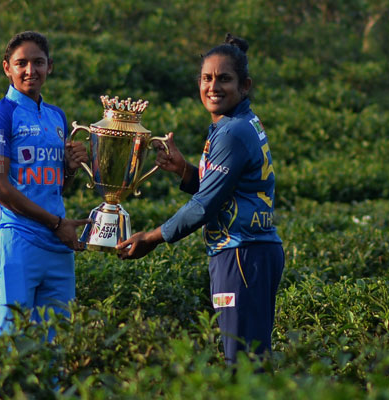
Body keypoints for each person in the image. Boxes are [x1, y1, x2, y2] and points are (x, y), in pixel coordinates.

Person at [118, 34, 285, 364]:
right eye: (207, 78)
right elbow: (223, 191)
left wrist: (152, 237)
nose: (213, 87)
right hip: (252, 251)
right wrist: (184, 171)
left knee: (243, 365)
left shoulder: (232, 132)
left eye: (224, 79)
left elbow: (206, 205)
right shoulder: (235, 123)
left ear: (245, 85)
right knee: (251, 359)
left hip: (240, 253)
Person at [0, 31, 89, 338]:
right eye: (21, 63)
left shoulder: (57, 117)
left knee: (57, 343)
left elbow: (54, 186)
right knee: (10, 342)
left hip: (57, 244)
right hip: (16, 240)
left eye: (38, 62)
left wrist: (70, 168)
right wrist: (56, 223)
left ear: (49, 66)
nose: (30, 70)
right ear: (6, 67)